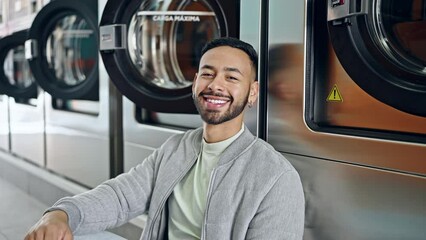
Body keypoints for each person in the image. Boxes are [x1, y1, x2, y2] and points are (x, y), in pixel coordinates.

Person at [25, 37, 305, 240]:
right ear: (195, 84)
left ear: (252, 93)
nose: (216, 85)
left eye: (232, 78)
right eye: (208, 73)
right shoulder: (176, 149)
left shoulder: (276, 177)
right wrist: (61, 214)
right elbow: (120, 197)